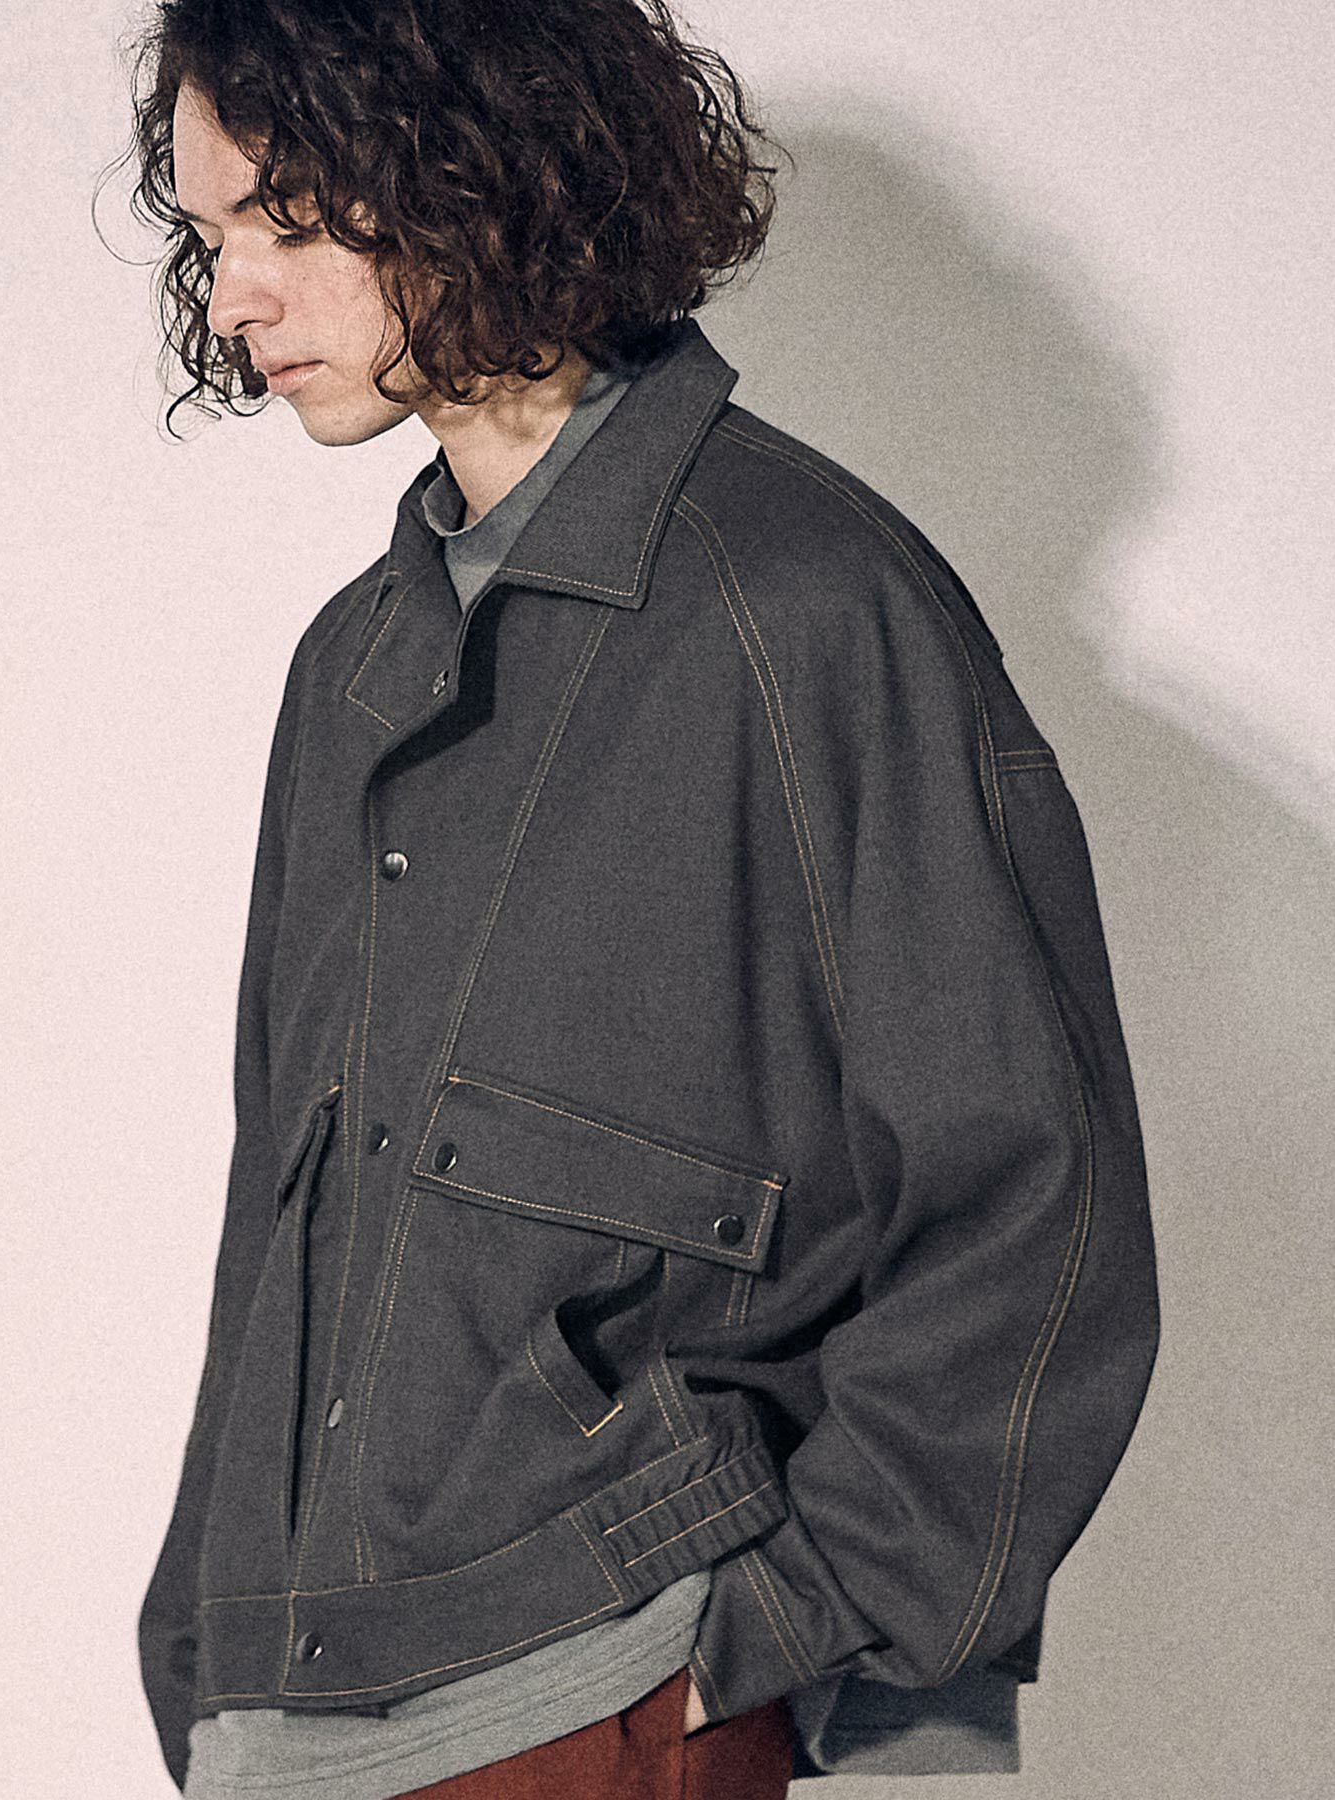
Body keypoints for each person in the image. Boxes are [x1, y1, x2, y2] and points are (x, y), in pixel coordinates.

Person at [124, 3, 1160, 1795]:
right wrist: (202, 1655)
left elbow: (1026, 1199)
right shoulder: (350, 667)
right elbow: (286, 1198)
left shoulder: (809, 606)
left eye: (284, 222)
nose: (232, 302)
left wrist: (800, 1625)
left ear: (476, 174)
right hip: (286, 1703)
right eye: (212, 237)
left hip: (599, 1694)